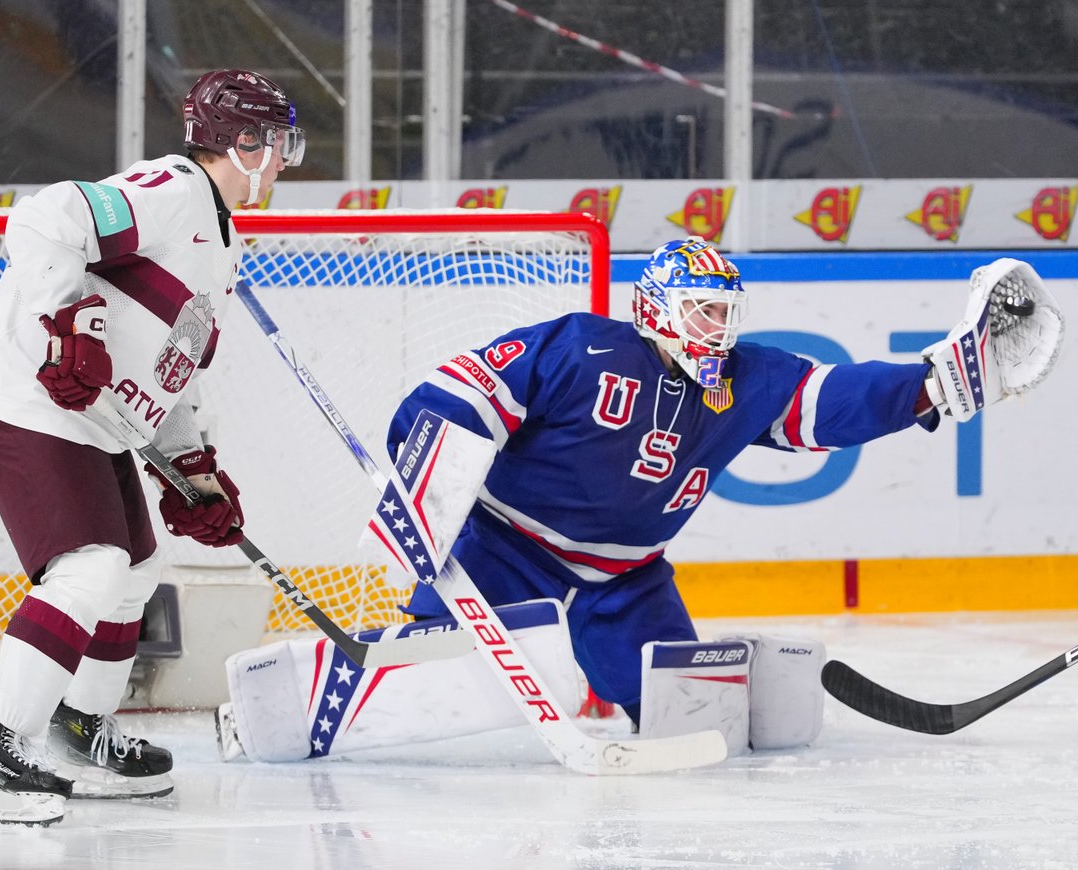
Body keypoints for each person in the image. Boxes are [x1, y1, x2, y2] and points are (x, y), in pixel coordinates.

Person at [383, 238, 1049, 727]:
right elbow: (465, 388)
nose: (719, 329)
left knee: (692, 721)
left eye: (726, 312)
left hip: (626, 579)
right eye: (702, 311)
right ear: (655, 309)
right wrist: (428, 473)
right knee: (418, 690)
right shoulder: (580, 347)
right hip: (506, 551)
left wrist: (931, 385)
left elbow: (831, 402)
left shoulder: (747, 378)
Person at [0, 68, 305, 827]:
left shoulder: (218, 237)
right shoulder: (174, 191)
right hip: (29, 395)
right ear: (239, 143)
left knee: (137, 570)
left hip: (95, 416)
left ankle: (81, 737)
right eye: (275, 144)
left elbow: (167, 372)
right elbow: (46, 218)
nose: (281, 161)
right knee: (90, 567)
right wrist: (65, 324)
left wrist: (193, 471)